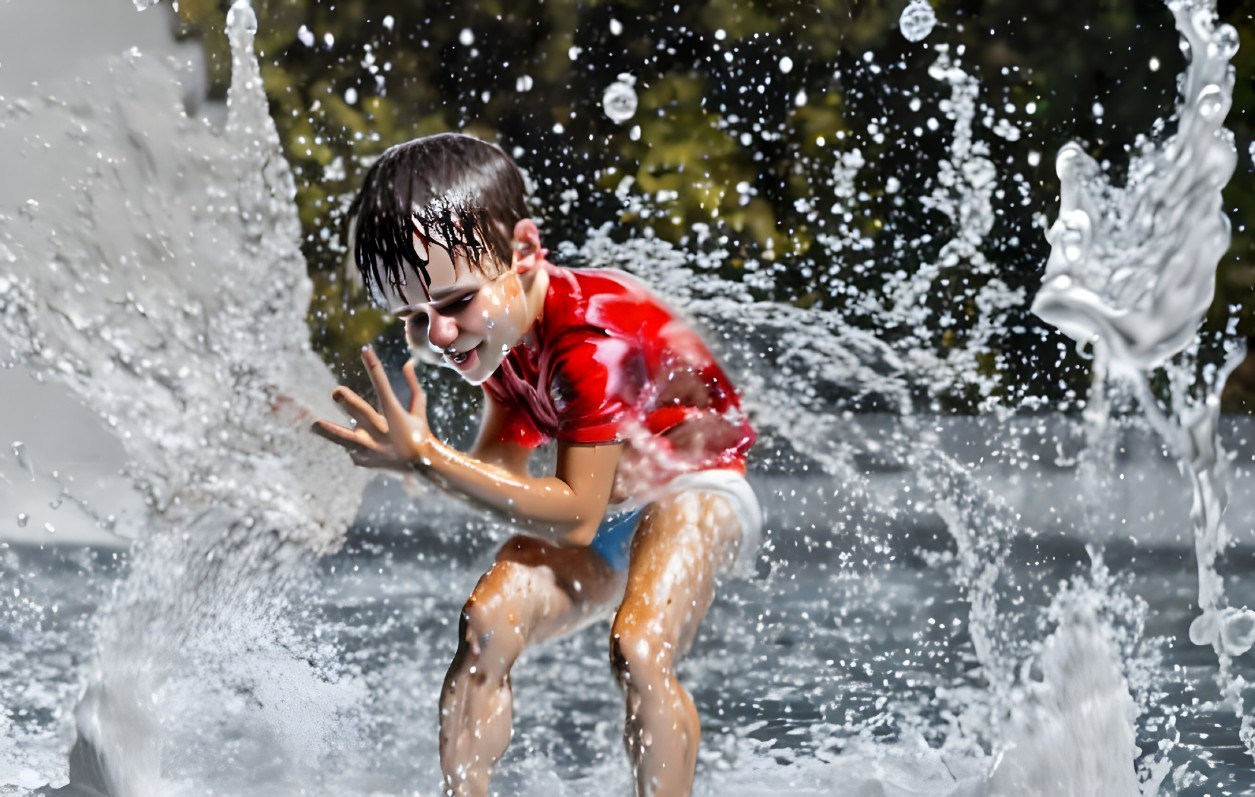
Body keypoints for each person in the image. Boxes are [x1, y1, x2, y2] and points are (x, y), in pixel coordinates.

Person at [312, 132, 759, 797]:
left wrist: (431, 459)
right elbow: (502, 472)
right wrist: (423, 465)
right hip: (614, 502)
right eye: (412, 317)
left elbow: (574, 516)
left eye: (455, 302)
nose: (436, 334)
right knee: (486, 623)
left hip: (698, 485)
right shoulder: (500, 337)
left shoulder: (587, 334)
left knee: (637, 647)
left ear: (523, 252)